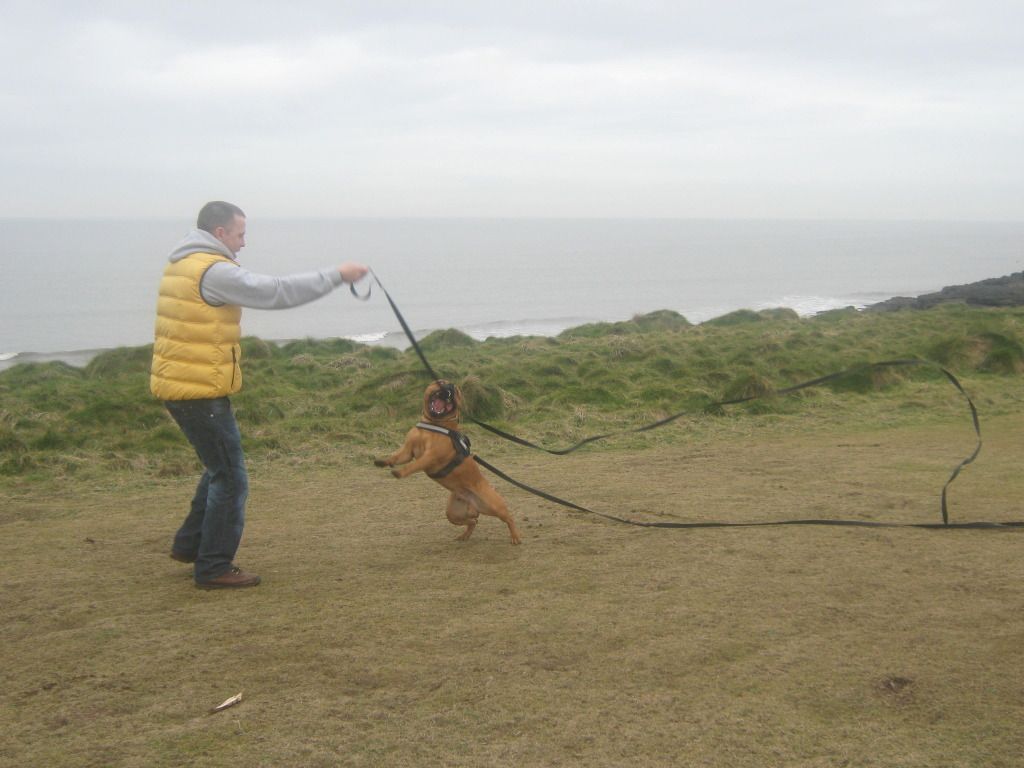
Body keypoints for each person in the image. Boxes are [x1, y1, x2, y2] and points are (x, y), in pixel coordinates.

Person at [150, 201, 369, 589]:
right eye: (240, 233)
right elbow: (277, 292)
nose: (244, 242)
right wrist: (337, 274)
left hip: (186, 385)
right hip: (199, 392)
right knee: (231, 479)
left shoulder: (184, 262)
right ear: (220, 233)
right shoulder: (213, 270)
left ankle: (190, 545)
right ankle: (214, 566)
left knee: (219, 468)